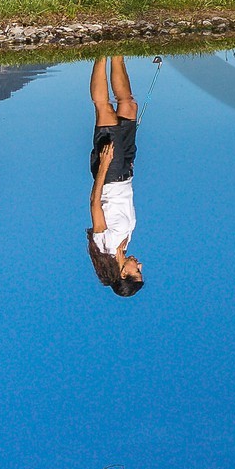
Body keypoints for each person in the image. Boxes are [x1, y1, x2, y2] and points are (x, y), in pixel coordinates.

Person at [87, 54, 144, 296]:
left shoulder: (105, 246)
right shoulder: (125, 241)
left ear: (123, 274)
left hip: (109, 173)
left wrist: (104, 164)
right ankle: (117, 54)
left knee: (105, 111)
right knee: (129, 106)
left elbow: (95, 204)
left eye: (136, 271)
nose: (140, 265)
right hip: (126, 171)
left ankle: (101, 55)